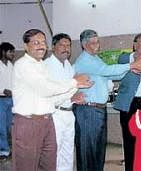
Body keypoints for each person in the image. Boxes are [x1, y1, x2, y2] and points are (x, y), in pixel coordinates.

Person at [11, 29, 92, 171]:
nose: (41, 46)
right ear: (26, 46)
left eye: (43, 42)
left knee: (49, 165)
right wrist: (73, 82)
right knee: (27, 166)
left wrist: (76, 87)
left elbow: (53, 99)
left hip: (47, 122)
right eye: (36, 43)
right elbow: (45, 88)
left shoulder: (42, 65)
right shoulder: (23, 65)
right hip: (28, 122)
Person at [73, 29, 141, 171]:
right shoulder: (85, 60)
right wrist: (132, 66)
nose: (97, 45)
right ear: (84, 45)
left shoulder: (95, 58)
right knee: (88, 152)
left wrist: (131, 70)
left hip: (98, 110)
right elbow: (107, 70)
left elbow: (110, 75)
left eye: (97, 41)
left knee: (98, 151)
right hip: (88, 111)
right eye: (93, 42)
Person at [113, 33, 141, 171]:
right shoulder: (124, 58)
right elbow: (117, 72)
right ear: (135, 45)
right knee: (129, 139)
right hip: (129, 103)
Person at [44, 33, 88, 171]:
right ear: (53, 47)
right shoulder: (46, 66)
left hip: (69, 113)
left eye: (68, 45)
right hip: (54, 114)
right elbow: (49, 94)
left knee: (68, 152)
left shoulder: (68, 65)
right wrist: (71, 97)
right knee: (54, 153)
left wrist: (77, 95)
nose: (66, 48)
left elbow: (71, 87)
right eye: (62, 45)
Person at [0, 42, 15, 161]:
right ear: (4, 52)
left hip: (11, 100)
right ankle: (4, 151)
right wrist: (2, 90)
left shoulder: (11, 65)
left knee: (11, 126)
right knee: (1, 128)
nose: (13, 54)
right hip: (1, 100)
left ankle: (10, 148)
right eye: (11, 52)